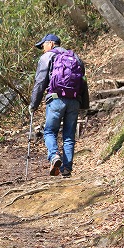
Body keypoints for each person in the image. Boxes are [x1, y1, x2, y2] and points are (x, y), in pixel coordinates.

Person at [29, 33, 89, 177]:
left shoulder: (47, 57)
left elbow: (40, 82)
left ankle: (54, 156)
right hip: (74, 101)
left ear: (50, 43)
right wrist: (84, 105)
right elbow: (83, 81)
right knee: (69, 136)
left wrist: (33, 104)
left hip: (56, 100)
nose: (43, 49)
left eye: (43, 45)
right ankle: (66, 169)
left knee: (50, 131)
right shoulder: (75, 58)